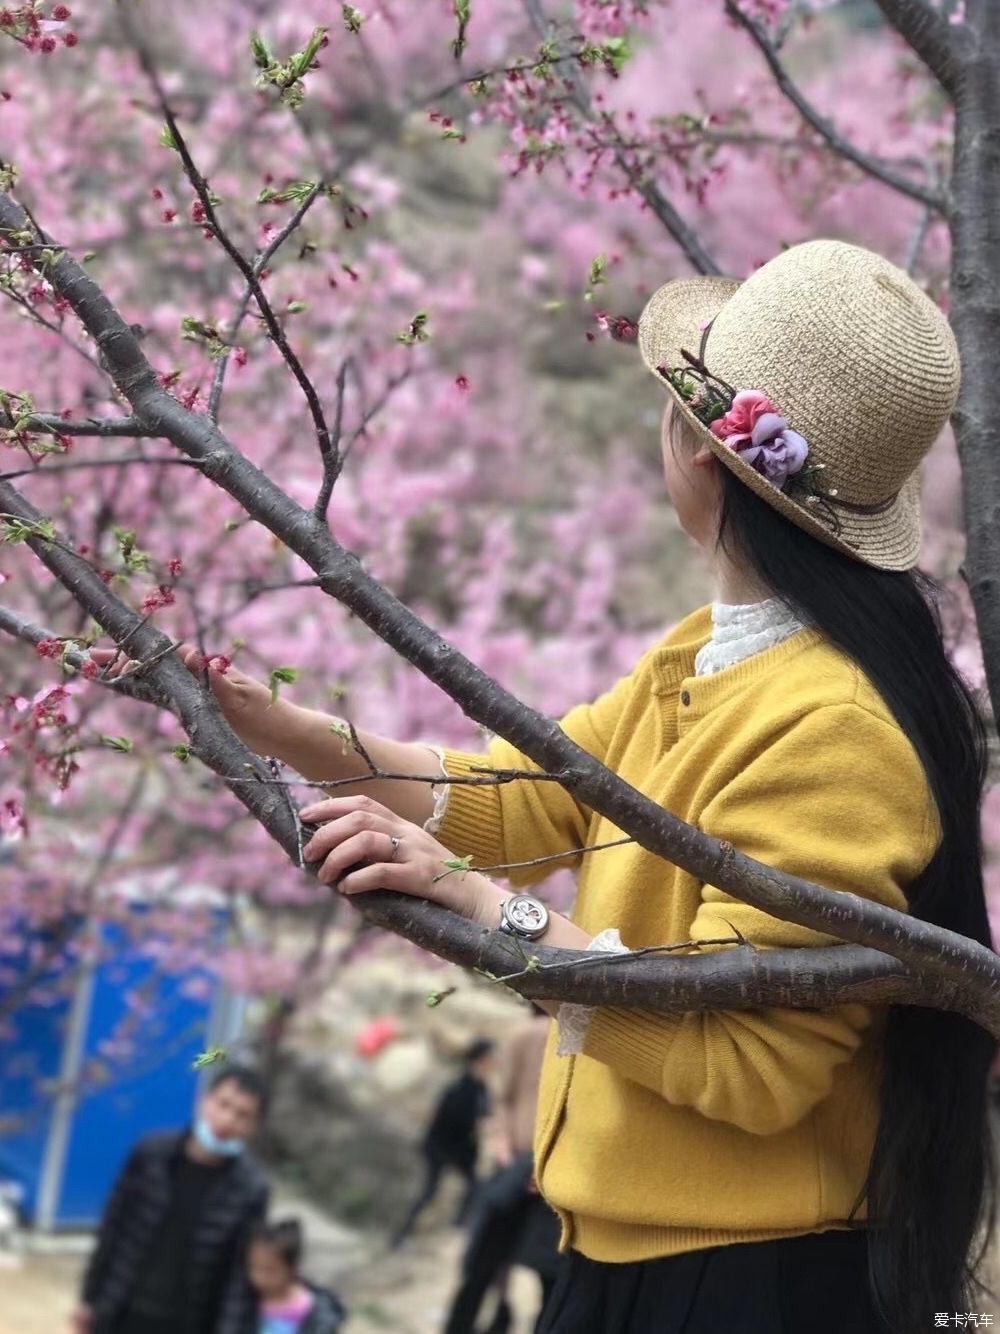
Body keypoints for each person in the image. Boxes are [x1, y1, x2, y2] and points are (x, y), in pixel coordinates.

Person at [99, 239, 997, 1332]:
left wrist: (489, 908)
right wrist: (282, 725)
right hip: (636, 1257)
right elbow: (531, 799)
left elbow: (749, 1059)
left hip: (743, 1284)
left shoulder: (831, 727)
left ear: (702, 449)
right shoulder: (713, 654)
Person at [73, 1063, 269, 1334]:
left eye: (242, 1115)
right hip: (122, 1309)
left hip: (189, 1322)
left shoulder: (251, 1189)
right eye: (223, 1104)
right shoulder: (151, 1154)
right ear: (204, 1102)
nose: (227, 1120)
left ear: (253, 1127)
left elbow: (240, 1276)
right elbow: (112, 1229)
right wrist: (89, 1298)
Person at [442, 1006, 560, 1334]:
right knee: (494, 1268)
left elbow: (501, 1098)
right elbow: (503, 1098)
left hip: (547, 1177)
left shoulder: (581, 1036)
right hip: (524, 1169)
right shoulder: (535, 1033)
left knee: (534, 1274)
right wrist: (506, 1150)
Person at [390, 1037, 496, 1248]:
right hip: (442, 1145)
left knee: (473, 1185)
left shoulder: (480, 1089)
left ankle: (458, 1227)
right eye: (490, 1058)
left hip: (459, 1147)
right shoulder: (459, 1088)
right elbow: (452, 1119)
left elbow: (482, 1117)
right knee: (429, 1191)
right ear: (480, 1060)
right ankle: (403, 1234)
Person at [247, 1218, 346, 1334]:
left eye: (270, 1271)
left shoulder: (315, 1314)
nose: (258, 1278)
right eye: (253, 1267)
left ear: (293, 1269)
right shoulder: (246, 1300)